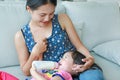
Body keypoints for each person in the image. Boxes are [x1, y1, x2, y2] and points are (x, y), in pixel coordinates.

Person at [14, 0, 104, 80]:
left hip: (76, 67)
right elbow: (26, 71)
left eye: (51, 13)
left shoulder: (62, 19)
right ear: (29, 9)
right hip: (53, 76)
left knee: (92, 77)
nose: (47, 19)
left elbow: (79, 46)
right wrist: (35, 53)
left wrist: (90, 59)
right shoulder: (21, 36)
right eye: (42, 15)